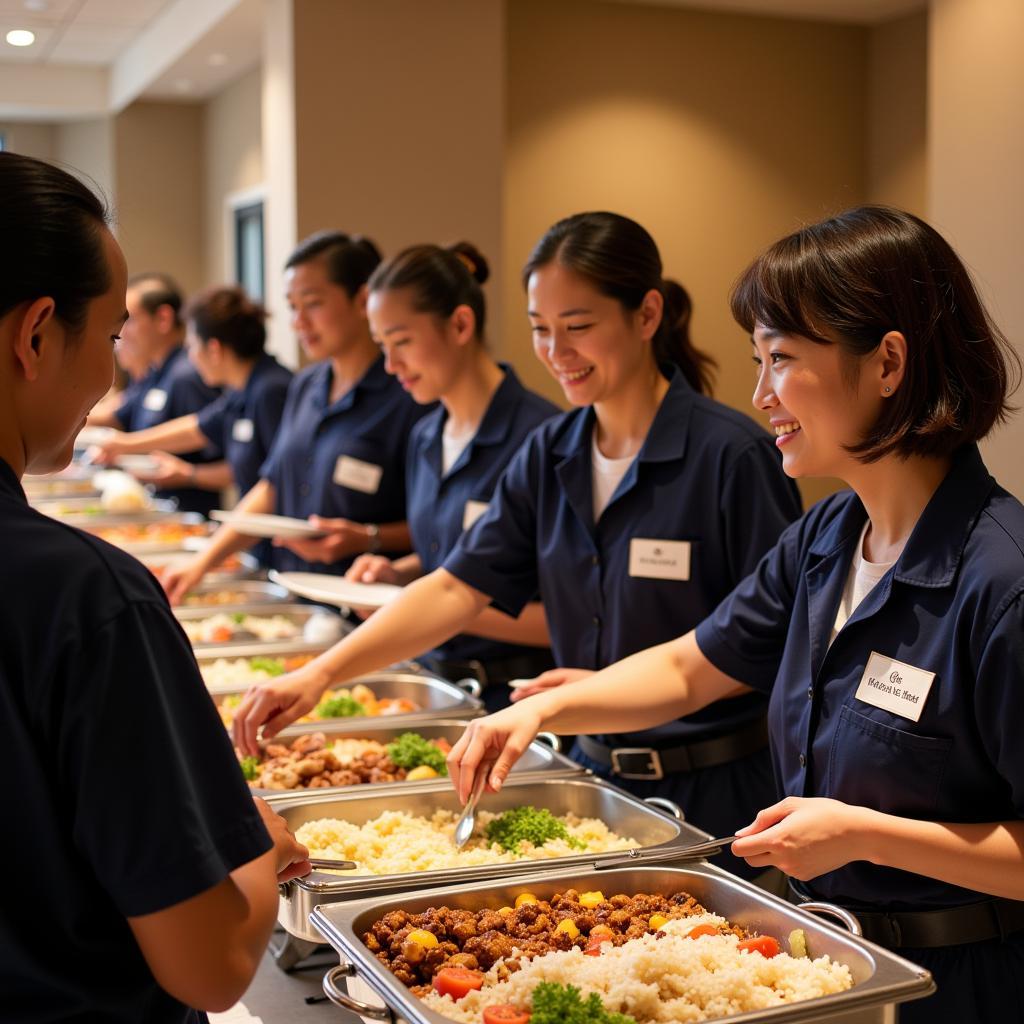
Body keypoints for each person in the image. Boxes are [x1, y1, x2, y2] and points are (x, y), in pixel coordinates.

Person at [444, 206, 1024, 1023]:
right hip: (832, 968)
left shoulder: (1002, 581)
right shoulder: (828, 536)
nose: (760, 395)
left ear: (888, 362)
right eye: (757, 361)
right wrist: (543, 708)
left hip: (963, 988)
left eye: (781, 360)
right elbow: (690, 664)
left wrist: (868, 833)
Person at [232, 213, 802, 877]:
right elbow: (455, 586)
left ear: (647, 315)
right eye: (539, 328)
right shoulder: (551, 452)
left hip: (715, 787)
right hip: (591, 774)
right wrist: (320, 673)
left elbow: (777, 645)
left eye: (578, 326)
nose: (556, 350)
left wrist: (601, 687)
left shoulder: (730, 456)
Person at [0, 151, 309, 1021]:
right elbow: (206, 966)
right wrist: (262, 848)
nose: (110, 373)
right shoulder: (87, 600)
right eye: (105, 340)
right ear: (33, 336)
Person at [347, 241, 559, 710]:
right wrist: (396, 574)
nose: (390, 365)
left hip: (517, 698)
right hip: (434, 685)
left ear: (461, 324)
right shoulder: (425, 436)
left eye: (401, 342)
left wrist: (432, 610)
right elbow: (450, 556)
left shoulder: (542, 438)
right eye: (382, 346)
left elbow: (563, 617)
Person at [161, 231, 426, 604]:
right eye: (291, 306)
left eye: (312, 304)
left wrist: (369, 537)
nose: (298, 322)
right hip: (293, 592)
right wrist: (203, 561)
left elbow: (434, 528)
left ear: (363, 299)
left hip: (367, 606)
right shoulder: (306, 386)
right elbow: (272, 487)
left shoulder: (408, 394)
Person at [92, 286, 292, 562]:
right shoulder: (242, 389)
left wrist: (188, 474)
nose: (191, 356)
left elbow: (275, 480)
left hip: (280, 546)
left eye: (193, 346)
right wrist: (124, 445)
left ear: (214, 349)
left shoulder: (271, 390)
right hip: (255, 540)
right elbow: (196, 427)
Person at [89, 272, 223, 515]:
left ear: (163, 319)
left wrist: (126, 445)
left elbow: (206, 434)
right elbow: (117, 414)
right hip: (157, 506)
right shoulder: (155, 373)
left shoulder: (187, 376)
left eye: (129, 321)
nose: (122, 333)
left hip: (187, 514)